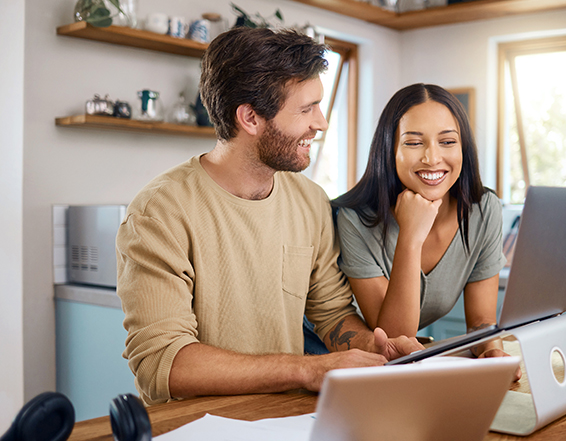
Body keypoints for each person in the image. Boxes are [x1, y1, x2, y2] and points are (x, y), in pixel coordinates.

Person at [115, 27, 422, 406]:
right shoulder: (159, 213)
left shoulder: (310, 201)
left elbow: (331, 314)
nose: (321, 122)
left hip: (285, 420)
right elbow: (164, 365)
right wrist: (306, 369)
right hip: (193, 432)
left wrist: (376, 351)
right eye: (306, 109)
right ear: (250, 118)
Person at [332, 83, 518, 367]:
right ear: (390, 149)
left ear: (463, 148)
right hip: (333, 359)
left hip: (392, 369)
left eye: (447, 142)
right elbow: (394, 339)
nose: (432, 158)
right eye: (414, 142)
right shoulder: (354, 218)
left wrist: (491, 350)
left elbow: (482, 321)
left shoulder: (483, 209)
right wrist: (410, 237)